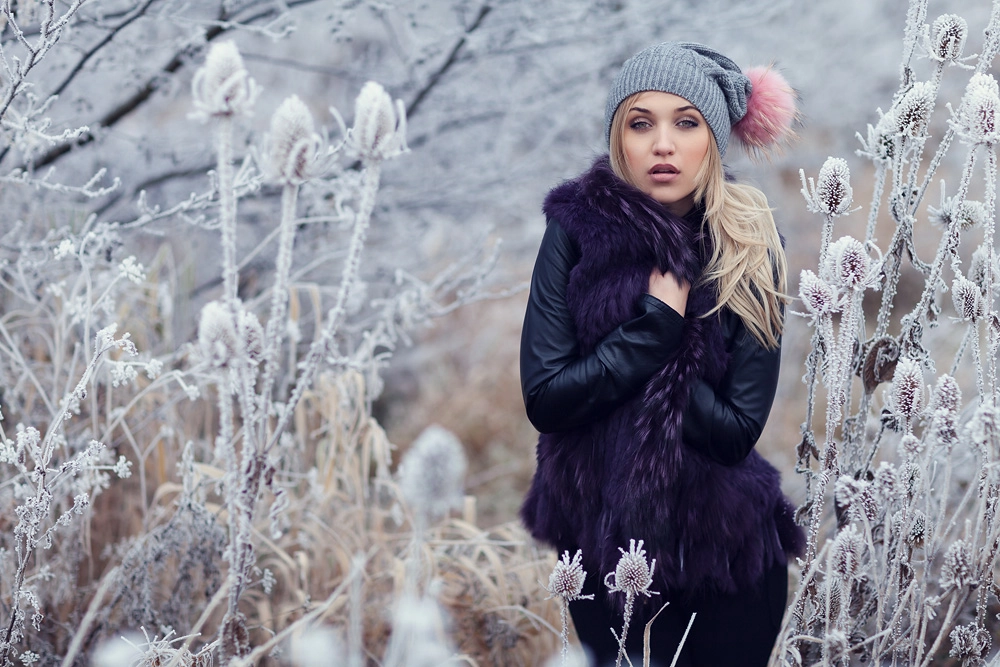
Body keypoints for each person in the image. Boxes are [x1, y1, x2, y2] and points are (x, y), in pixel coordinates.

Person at [519, 42, 806, 667]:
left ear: (714, 139)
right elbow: (546, 398)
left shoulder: (750, 245)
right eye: (641, 123)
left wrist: (669, 350)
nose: (663, 144)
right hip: (597, 539)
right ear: (618, 138)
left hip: (723, 553)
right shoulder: (574, 231)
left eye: (686, 122)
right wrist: (649, 329)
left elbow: (734, 433)